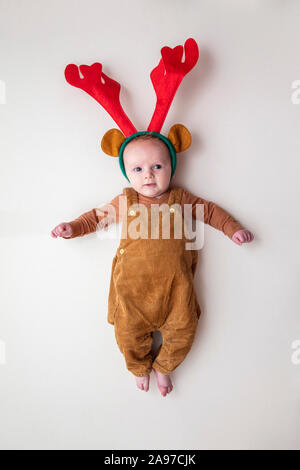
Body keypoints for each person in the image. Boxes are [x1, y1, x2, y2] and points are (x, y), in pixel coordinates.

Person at [51, 134, 254, 396]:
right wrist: (73, 227)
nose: (148, 175)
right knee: (127, 337)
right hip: (132, 293)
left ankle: (164, 367)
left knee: (183, 332)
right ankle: (139, 369)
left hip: (175, 291)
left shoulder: (180, 199)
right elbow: (95, 219)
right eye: (138, 169)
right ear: (127, 173)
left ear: (171, 167)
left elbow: (212, 212)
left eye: (157, 166)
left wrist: (233, 229)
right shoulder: (126, 201)